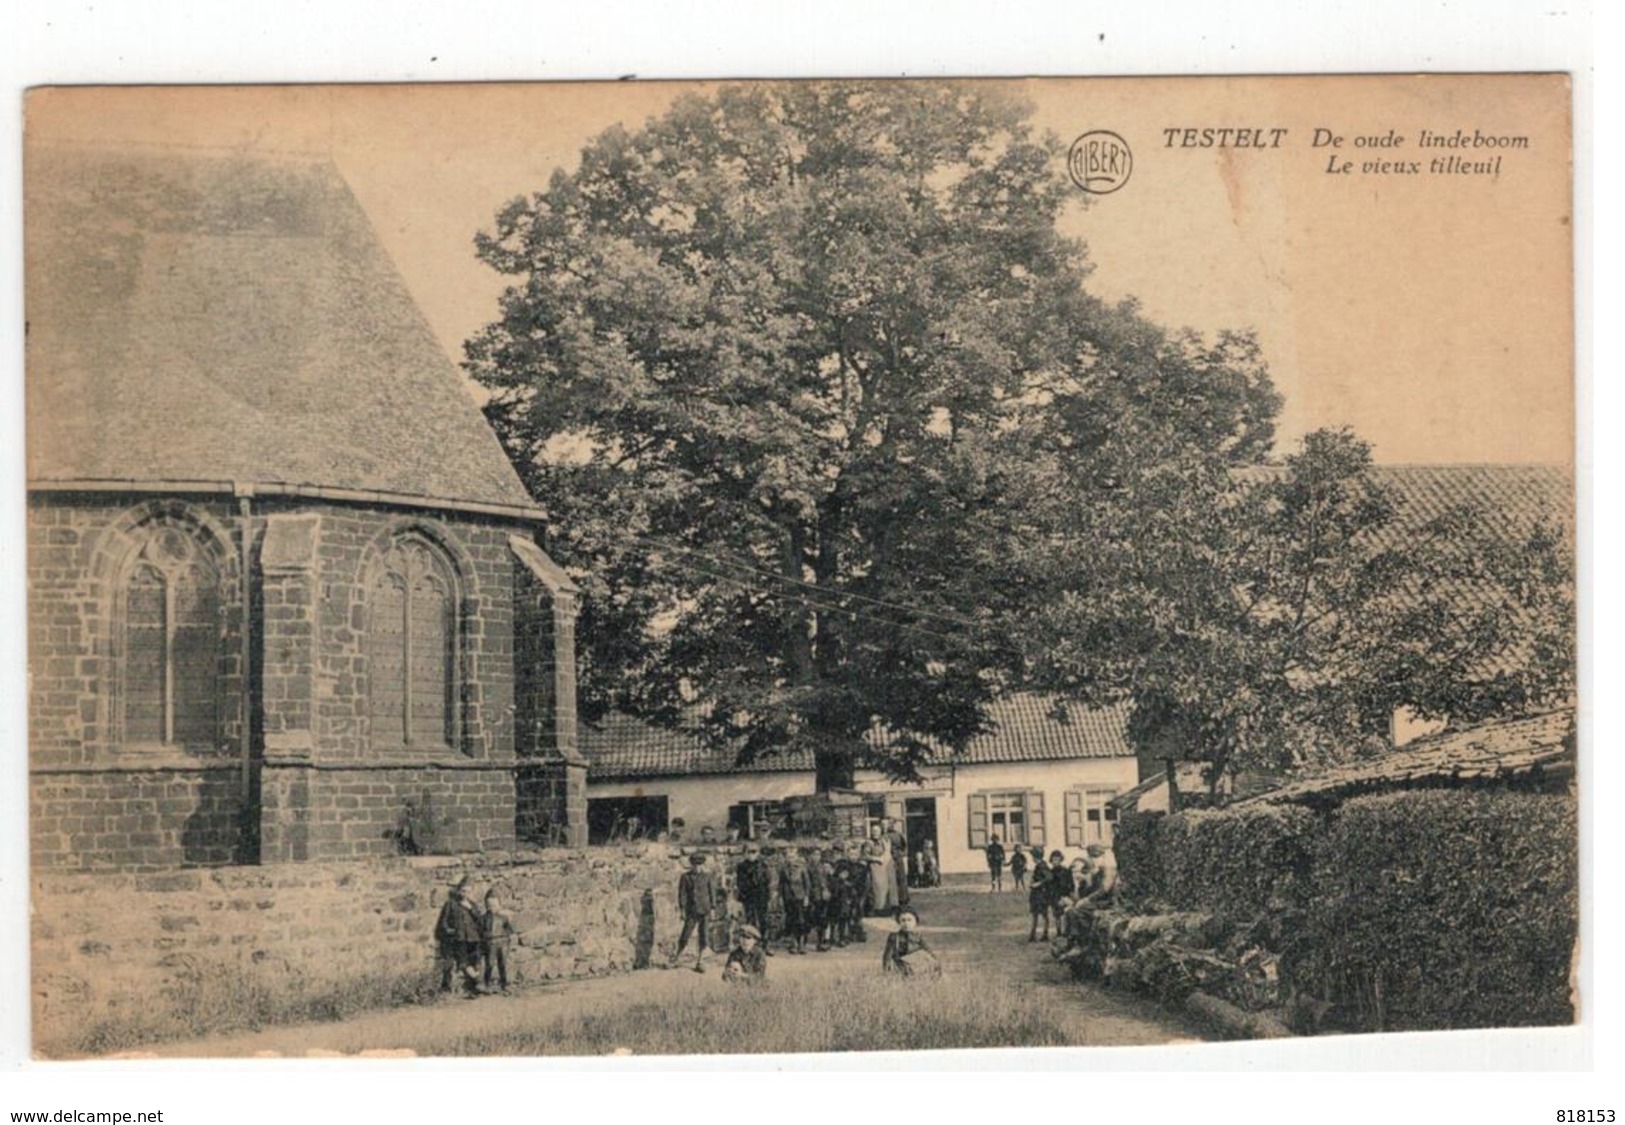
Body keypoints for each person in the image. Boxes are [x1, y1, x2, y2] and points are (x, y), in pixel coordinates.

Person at [434, 876, 484, 997]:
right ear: (458, 891)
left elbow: (480, 921)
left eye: (468, 891)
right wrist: (450, 931)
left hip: (473, 938)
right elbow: (443, 922)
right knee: (463, 962)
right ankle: (478, 981)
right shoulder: (451, 904)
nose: (465, 894)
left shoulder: (473, 905)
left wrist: (471, 908)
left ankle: (473, 989)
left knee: (475, 962)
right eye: (463, 891)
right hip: (459, 938)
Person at [671, 853, 716, 972]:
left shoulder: (707, 877)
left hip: (705, 910)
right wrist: (682, 909)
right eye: (695, 865)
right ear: (691, 865)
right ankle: (677, 958)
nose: (697, 867)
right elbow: (682, 895)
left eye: (699, 865)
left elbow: (712, 893)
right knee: (685, 935)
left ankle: (700, 961)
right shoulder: (686, 877)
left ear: (703, 865)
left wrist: (712, 909)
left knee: (704, 936)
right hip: (691, 911)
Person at [734, 842, 773, 956]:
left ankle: (765, 945)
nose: (751, 854)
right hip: (748, 897)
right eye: (749, 852)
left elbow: (768, 881)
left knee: (764, 920)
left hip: (761, 897)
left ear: (758, 853)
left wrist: (768, 896)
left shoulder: (763, 865)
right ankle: (751, 946)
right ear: (745, 853)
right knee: (750, 921)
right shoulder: (741, 866)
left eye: (754, 852)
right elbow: (740, 883)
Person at [882, 906, 940, 977]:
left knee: (929, 962)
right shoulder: (894, 936)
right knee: (904, 971)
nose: (906, 923)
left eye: (909, 920)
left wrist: (934, 960)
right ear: (899, 922)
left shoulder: (918, 935)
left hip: (915, 961)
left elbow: (926, 949)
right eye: (903, 920)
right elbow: (888, 953)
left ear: (915, 922)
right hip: (900, 962)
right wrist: (886, 968)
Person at [481, 889, 517, 994]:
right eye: (489, 905)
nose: (492, 908)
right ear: (486, 905)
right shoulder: (483, 919)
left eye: (494, 905)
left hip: (502, 942)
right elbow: (480, 931)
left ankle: (505, 984)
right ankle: (487, 984)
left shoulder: (503, 918)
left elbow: (511, 930)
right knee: (490, 964)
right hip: (490, 943)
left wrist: (511, 938)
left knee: (503, 964)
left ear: (499, 905)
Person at [779, 845, 812, 954]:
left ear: (796, 856)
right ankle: (793, 944)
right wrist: (781, 897)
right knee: (791, 920)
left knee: (801, 920)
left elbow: (807, 883)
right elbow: (781, 884)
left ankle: (802, 944)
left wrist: (806, 897)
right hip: (788, 898)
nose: (790, 859)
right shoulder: (783, 869)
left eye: (792, 857)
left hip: (800, 897)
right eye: (788, 857)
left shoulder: (802, 867)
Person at [884, 818, 910, 908]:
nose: (890, 825)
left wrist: (901, 854)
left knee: (901, 878)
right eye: (888, 823)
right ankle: (891, 901)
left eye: (891, 823)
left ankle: (903, 900)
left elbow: (905, 847)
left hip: (898, 858)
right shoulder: (882, 835)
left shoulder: (898, 834)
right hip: (887, 859)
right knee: (889, 880)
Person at [1027, 849, 1052, 942]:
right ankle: (1033, 935)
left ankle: (1044, 934)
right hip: (1036, 894)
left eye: (1033, 856)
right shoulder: (1039, 866)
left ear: (1036, 857)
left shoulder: (1042, 866)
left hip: (1041, 894)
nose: (1032, 858)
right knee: (1036, 915)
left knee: (1042, 915)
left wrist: (1038, 883)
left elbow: (1049, 877)